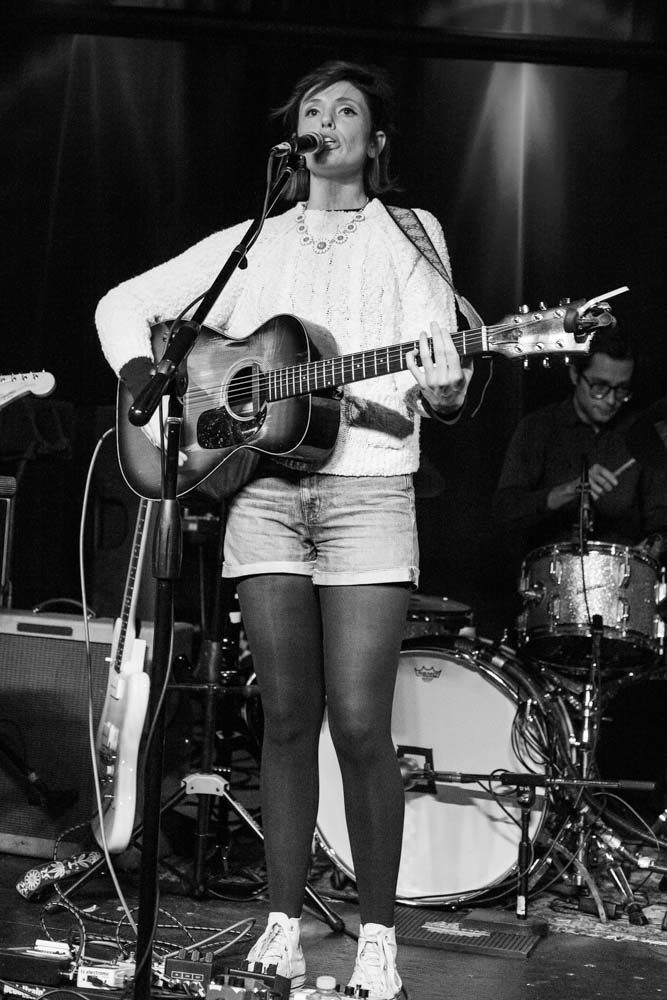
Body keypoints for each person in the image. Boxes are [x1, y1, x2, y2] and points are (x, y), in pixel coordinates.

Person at [95, 60, 472, 1000]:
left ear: (376, 141)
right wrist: (148, 376)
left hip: (368, 493)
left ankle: (378, 939)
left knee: (356, 723)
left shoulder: (411, 234)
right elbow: (119, 306)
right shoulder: (252, 243)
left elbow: (438, 376)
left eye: (347, 111)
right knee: (285, 720)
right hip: (261, 494)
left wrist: (448, 383)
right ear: (294, 137)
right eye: (313, 110)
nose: (327, 122)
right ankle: (281, 926)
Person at [492, 323, 667, 636]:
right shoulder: (538, 429)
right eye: (599, 386)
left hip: (621, 614)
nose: (611, 399)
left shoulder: (640, 437)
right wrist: (565, 492)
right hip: (546, 610)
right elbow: (504, 511)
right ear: (575, 375)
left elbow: (661, 521)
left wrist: (652, 547)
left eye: (621, 390)